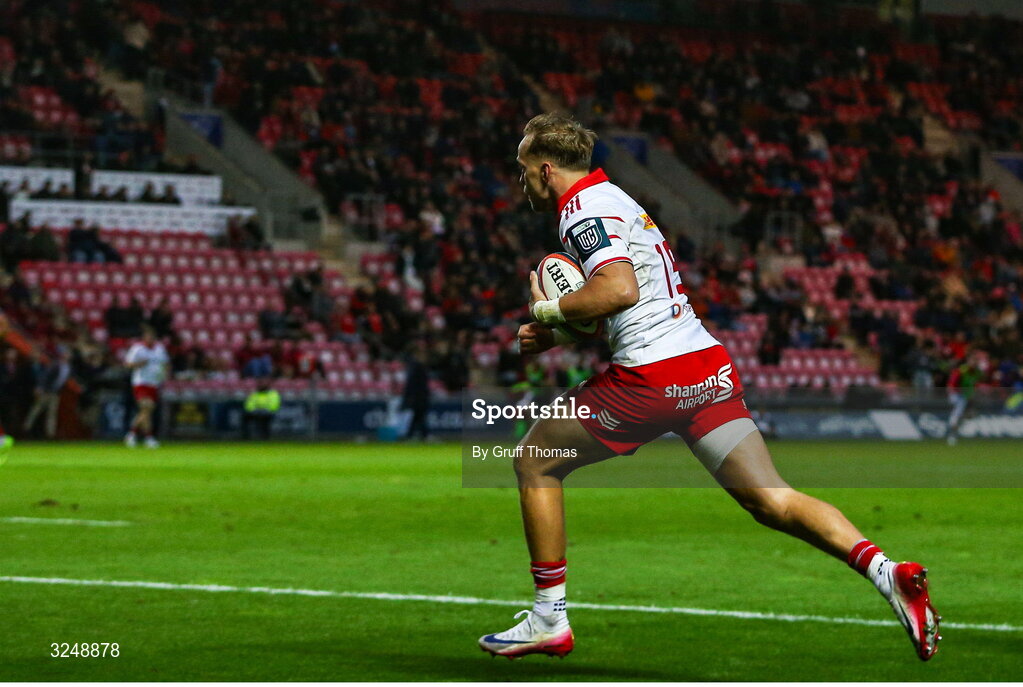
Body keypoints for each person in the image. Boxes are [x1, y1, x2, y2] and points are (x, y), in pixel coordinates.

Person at [478, 113, 940, 661]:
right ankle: (889, 573)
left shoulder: (581, 209)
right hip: (703, 367)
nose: (520, 180)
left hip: (651, 377)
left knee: (535, 460)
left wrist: (546, 309)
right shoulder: (617, 199)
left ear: (546, 168)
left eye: (523, 169)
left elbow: (619, 290)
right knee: (772, 499)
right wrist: (558, 331)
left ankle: (549, 617)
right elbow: (630, 298)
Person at [123, 326, 169, 448]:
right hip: (140, 383)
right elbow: (127, 364)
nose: (151, 339)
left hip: (154, 383)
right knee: (147, 406)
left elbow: (165, 363)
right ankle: (148, 437)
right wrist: (139, 364)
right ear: (144, 337)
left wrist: (164, 374)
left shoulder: (159, 349)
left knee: (146, 411)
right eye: (148, 337)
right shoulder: (137, 349)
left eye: (153, 337)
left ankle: (132, 434)